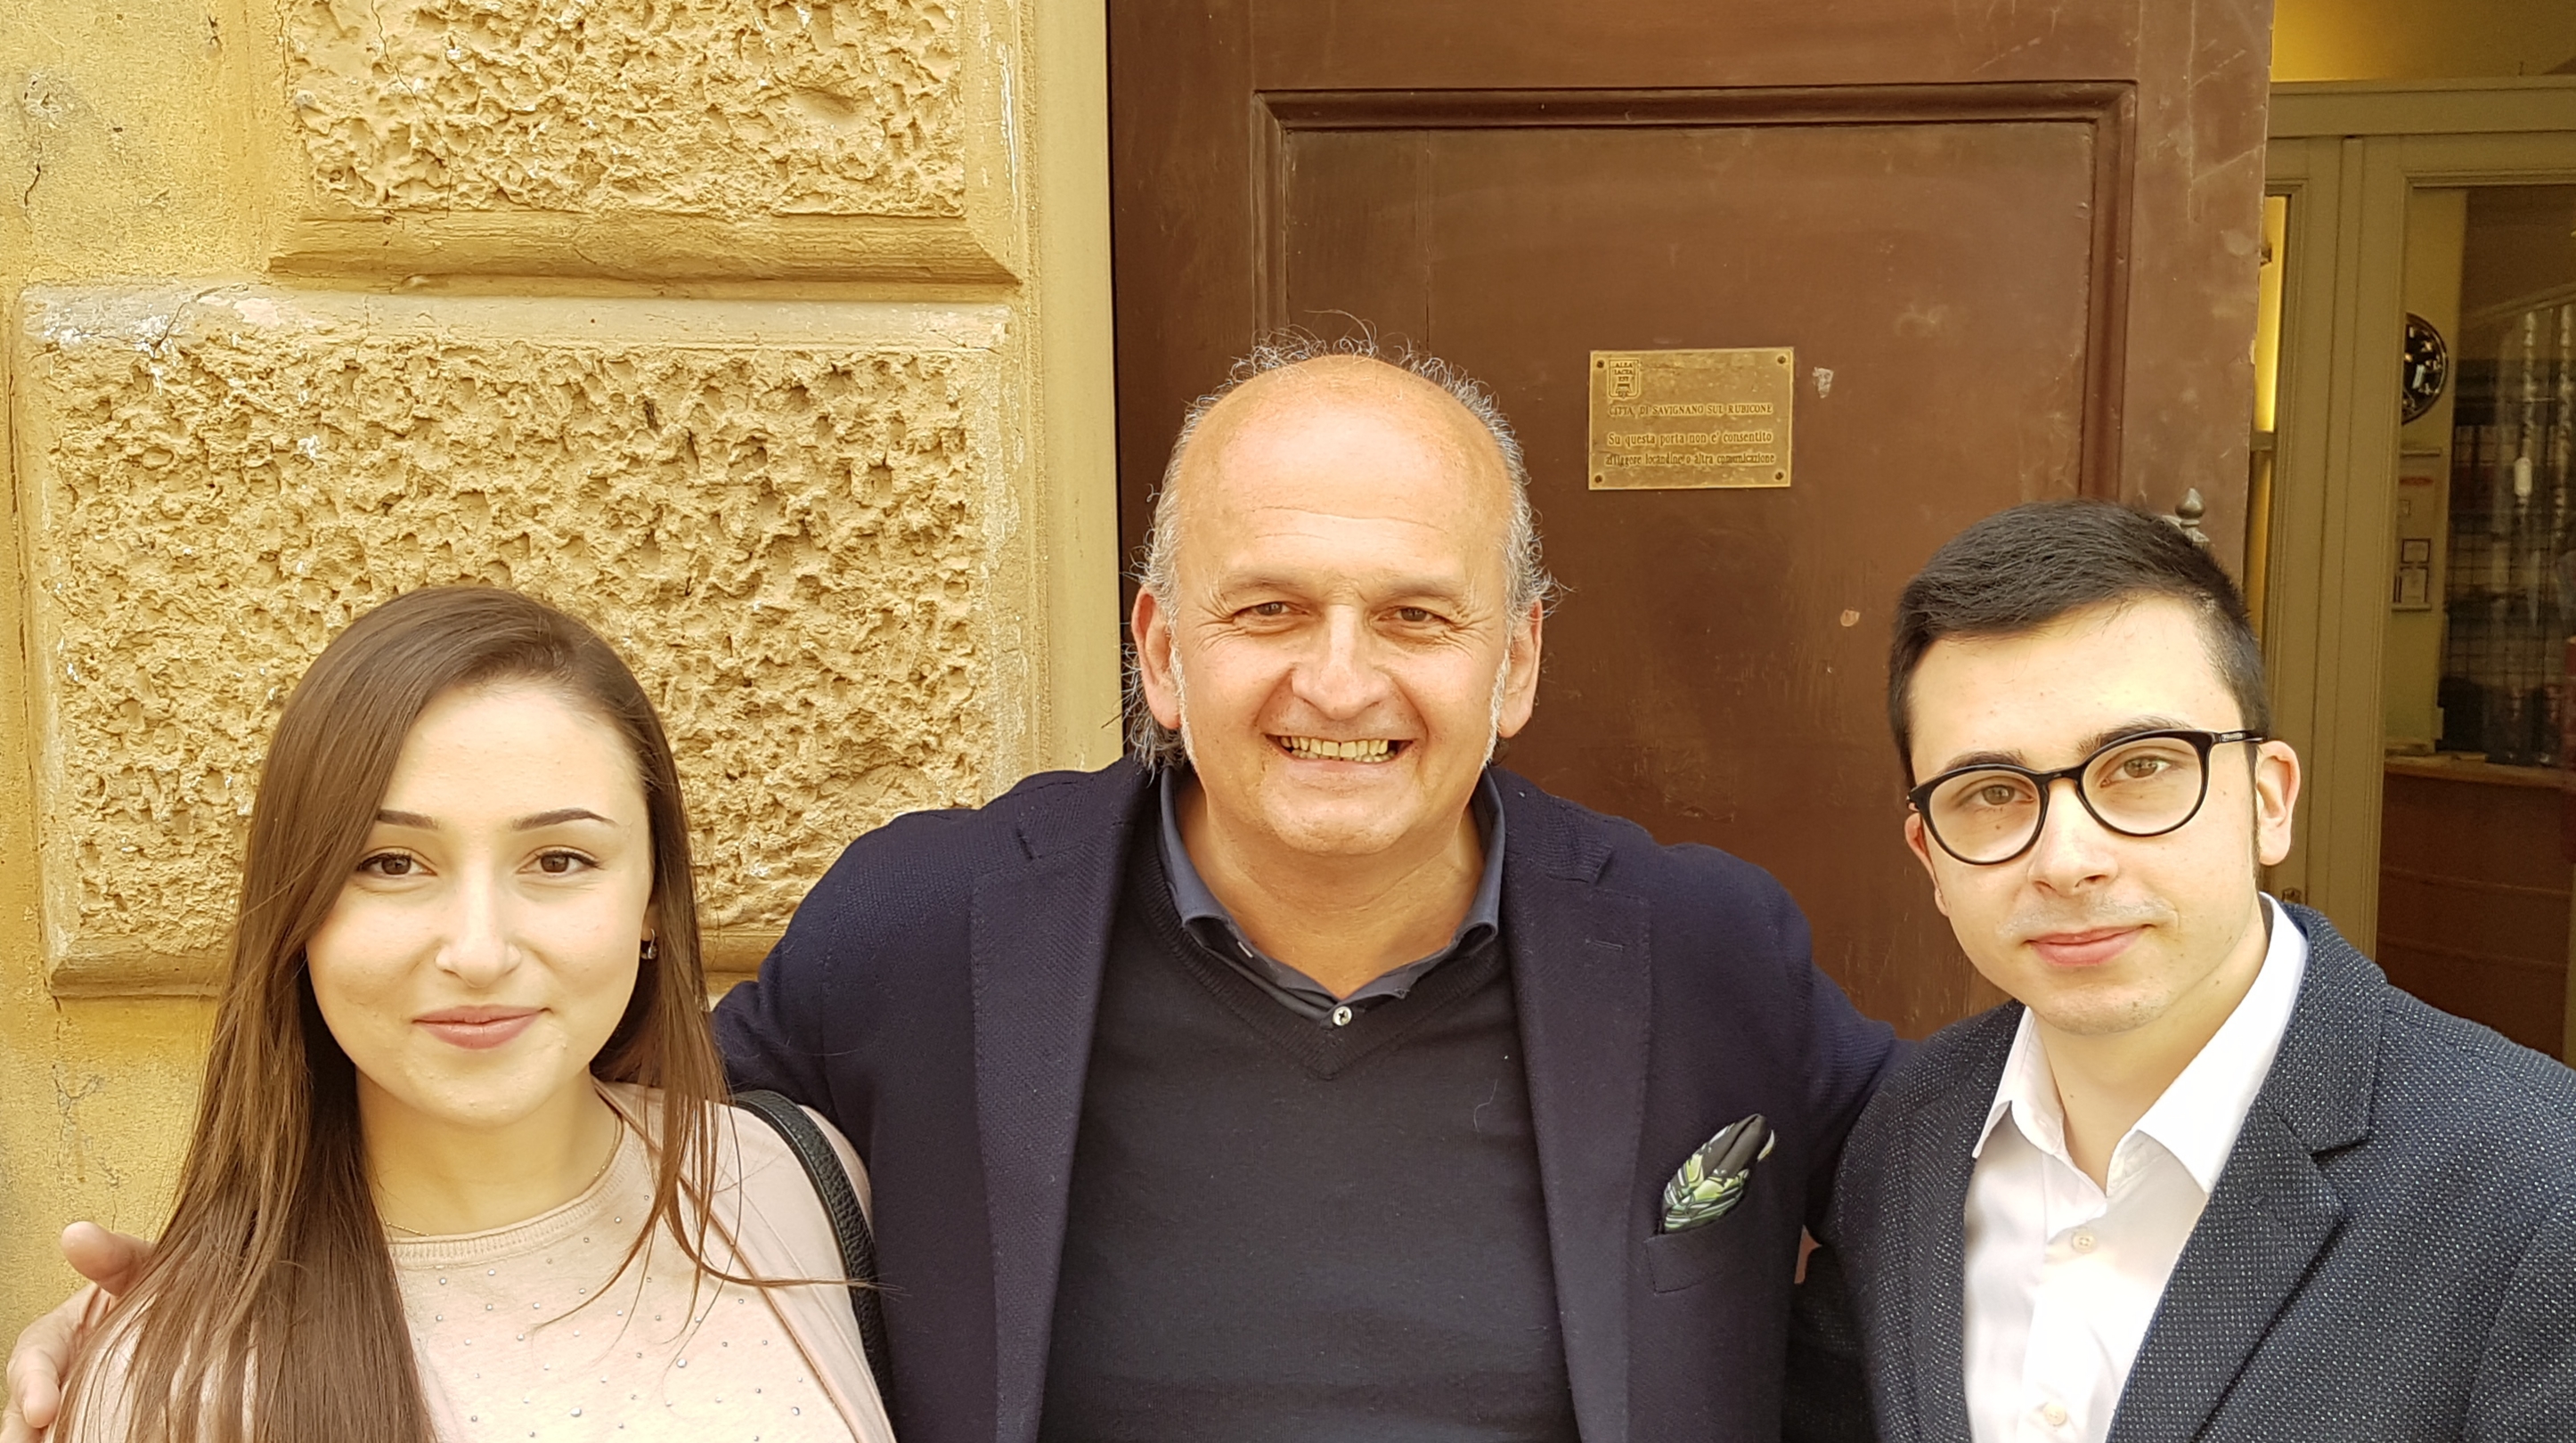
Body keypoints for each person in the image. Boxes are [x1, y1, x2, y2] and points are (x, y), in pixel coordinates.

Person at [12, 339, 1901, 1442]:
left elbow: (1973, 1209)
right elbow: (547, 1116)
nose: (1338, 682)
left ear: (1516, 660)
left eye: (1414, 615)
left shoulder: (1699, 951)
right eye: (1266, 609)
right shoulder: (928, 935)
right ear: (1158, 652)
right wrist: (216, 1315)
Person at [1822, 500, 2576, 1442]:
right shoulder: (1907, 1137)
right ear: (1929, 856)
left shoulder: (2556, 1210)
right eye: (1990, 792)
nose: (2066, 860)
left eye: (2140, 767)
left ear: (2267, 801)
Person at [28, 588, 895, 1443]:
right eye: (390, 863)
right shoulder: (179, 1394)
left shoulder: (788, 1178)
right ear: (299, 911)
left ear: (652, 902)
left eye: (559, 859)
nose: (478, 952)